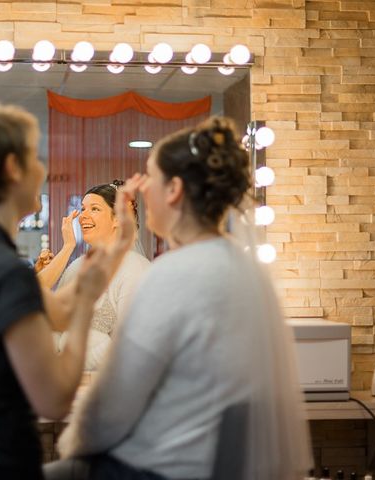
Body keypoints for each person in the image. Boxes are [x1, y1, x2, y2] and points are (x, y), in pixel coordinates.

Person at [44, 117, 312, 480]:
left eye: (150, 179)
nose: (140, 191)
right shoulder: (246, 270)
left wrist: (73, 441)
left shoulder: (171, 273)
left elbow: (110, 409)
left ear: (173, 190)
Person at [0, 104, 135, 480]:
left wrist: (107, 260)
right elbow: (55, 399)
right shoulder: (0, 269)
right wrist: (86, 305)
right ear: (12, 169)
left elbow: (55, 310)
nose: (43, 170)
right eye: (35, 158)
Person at [38, 180, 150, 370]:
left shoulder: (135, 268)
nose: (83, 216)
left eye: (95, 209)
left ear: (117, 219)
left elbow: (135, 342)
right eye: (82, 209)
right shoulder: (77, 266)